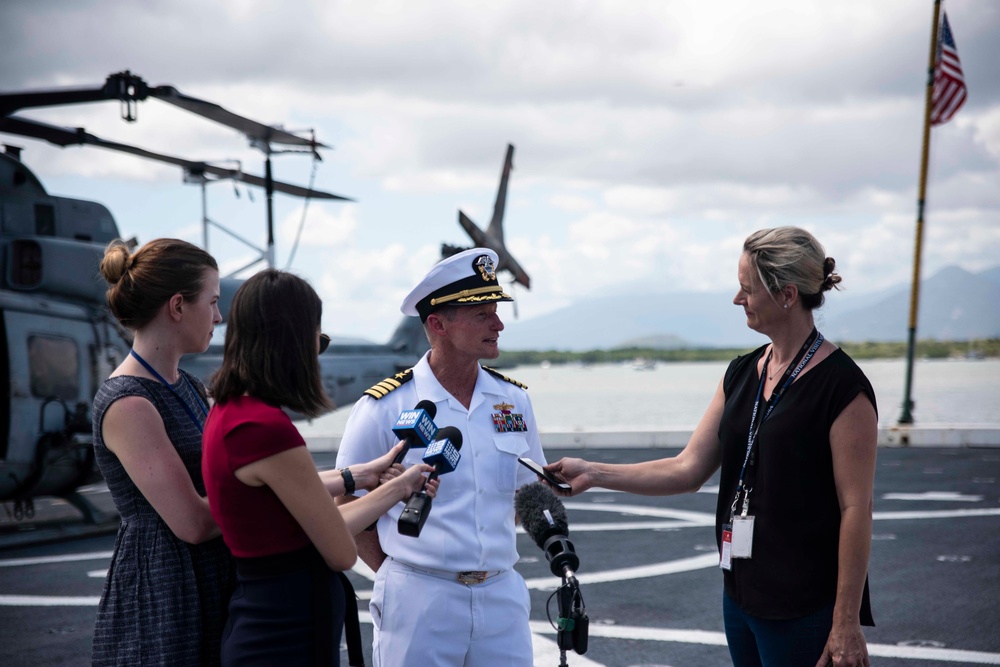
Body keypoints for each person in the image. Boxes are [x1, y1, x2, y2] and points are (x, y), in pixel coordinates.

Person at [546, 227, 878, 667]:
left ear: (787, 295)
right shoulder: (742, 373)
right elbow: (687, 469)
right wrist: (594, 472)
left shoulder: (843, 388)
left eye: (746, 289)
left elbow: (857, 509)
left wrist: (845, 622)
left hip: (803, 608)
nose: (737, 299)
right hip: (740, 597)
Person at [201, 268, 437, 667]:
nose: (318, 349)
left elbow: (282, 509)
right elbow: (340, 550)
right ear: (293, 341)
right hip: (286, 636)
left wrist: (361, 476)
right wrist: (399, 487)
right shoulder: (265, 429)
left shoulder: (229, 412)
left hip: (263, 623)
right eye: (318, 336)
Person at [335, 248, 548, 667]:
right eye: (482, 313)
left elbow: (530, 492)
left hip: (501, 595)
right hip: (419, 599)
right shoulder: (385, 406)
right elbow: (345, 504)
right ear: (438, 324)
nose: (498, 323)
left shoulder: (514, 400)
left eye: (496, 311)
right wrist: (397, 575)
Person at [92, 238, 235, 666]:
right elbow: (192, 523)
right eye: (211, 302)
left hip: (206, 582)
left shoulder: (188, 386)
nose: (218, 316)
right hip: (166, 595)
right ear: (177, 306)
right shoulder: (129, 403)